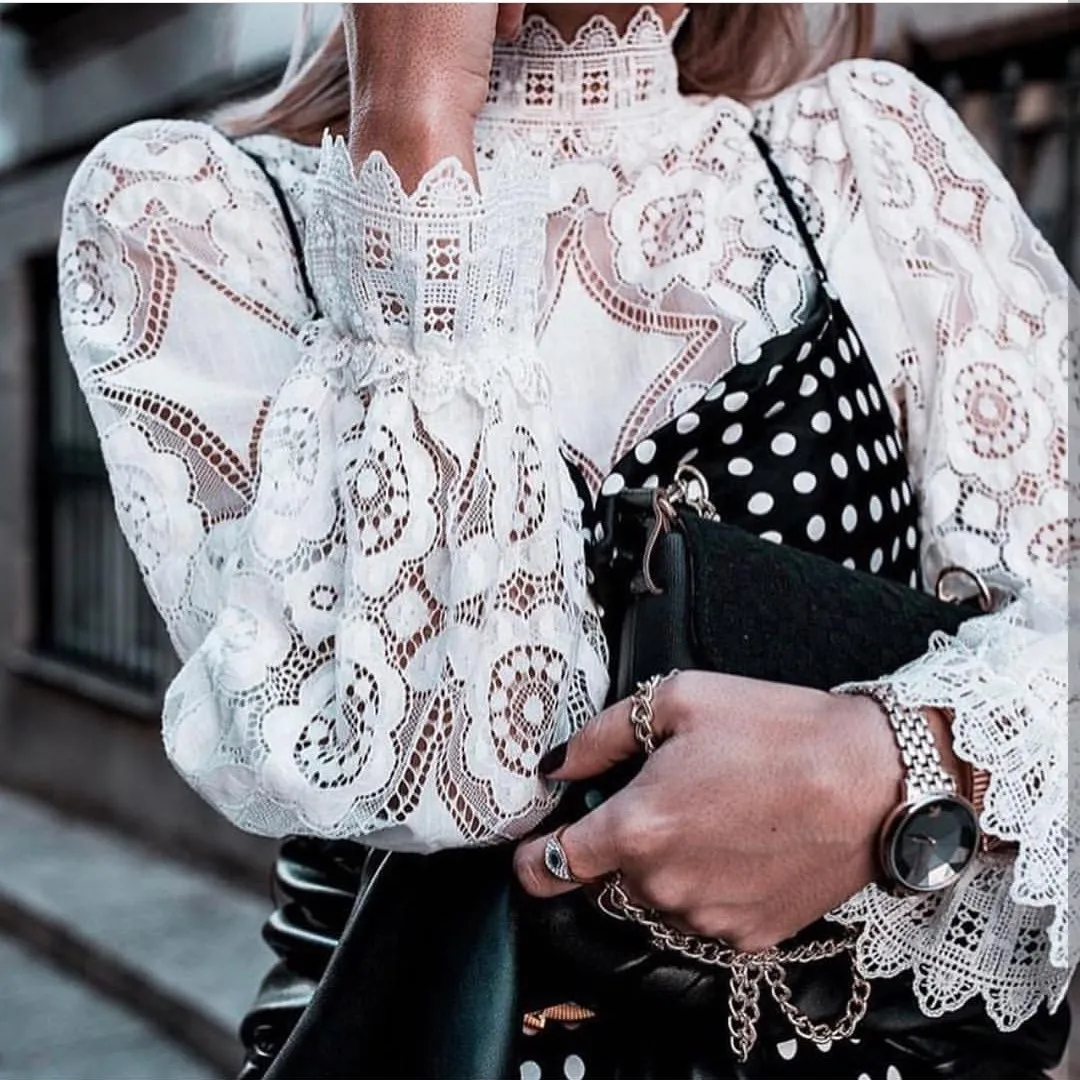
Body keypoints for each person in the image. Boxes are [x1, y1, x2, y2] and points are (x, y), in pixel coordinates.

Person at [58, 4, 1074, 1077]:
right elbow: (452, 784)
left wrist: (896, 766)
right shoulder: (193, 213)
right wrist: (414, 134)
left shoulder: (865, 159)